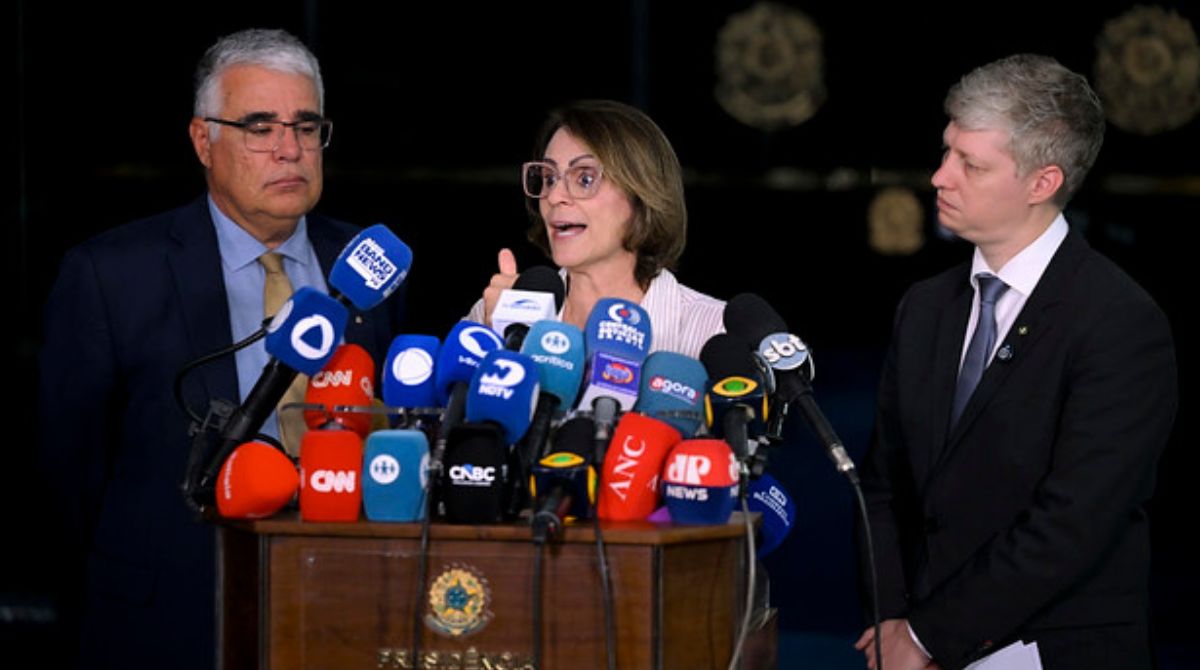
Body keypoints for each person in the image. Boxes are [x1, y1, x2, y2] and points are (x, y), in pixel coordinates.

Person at [37, 28, 404, 669]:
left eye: (306, 126)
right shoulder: (111, 275)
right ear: (203, 140)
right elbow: (70, 479)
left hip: (341, 610)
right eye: (260, 127)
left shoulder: (364, 266)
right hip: (169, 623)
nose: (290, 149)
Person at [855, 54, 1177, 670]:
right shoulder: (923, 306)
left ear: (1042, 183)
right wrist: (891, 621)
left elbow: (1073, 523)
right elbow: (883, 484)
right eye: (946, 151)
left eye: (970, 164)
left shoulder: (1120, 321)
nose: (939, 177)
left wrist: (925, 637)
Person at [467, 99, 723, 358]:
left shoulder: (713, 331)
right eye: (549, 178)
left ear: (642, 193)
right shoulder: (495, 313)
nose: (554, 196)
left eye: (585, 179)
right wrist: (506, 339)